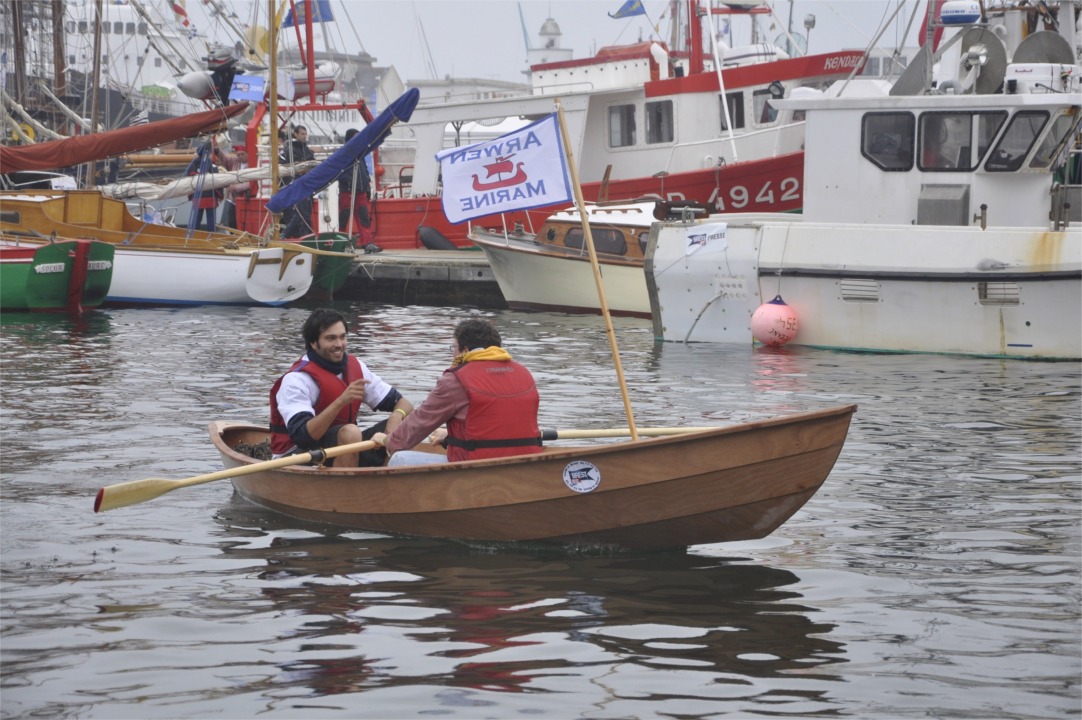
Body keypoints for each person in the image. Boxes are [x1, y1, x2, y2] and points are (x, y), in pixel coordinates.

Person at [372, 318, 541, 466]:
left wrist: (389, 440)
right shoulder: (524, 374)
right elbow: (497, 423)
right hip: (524, 463)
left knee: (399, 459)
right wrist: (449, 435)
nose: (452, 354)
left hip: (476, 466)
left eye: (453, 348)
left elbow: (421, 421)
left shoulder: (456, 379)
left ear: (464, 350)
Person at [270, 308, 414, 467]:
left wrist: (397, 415)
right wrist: (341, 401)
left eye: (342, 337)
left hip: (343, 446)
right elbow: (303, 437)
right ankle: (346, 481)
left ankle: (387, 476)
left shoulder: (356, 367)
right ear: (313, 343)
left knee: (410, 421)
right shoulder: (296, 379)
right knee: (351, 432)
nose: (339, 344)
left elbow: (404, 403)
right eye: (330, 338)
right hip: (298, 454)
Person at [337, 128, 382, 253]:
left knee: (364, 218)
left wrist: (367, 187)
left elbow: (364, 170)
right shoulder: (344, 153)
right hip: (347, 191)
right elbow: (339, 172)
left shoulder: (360, 153)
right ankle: (339, 243)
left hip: (360, 191)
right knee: (343, 218)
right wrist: (348, 181)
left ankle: (367, 243)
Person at [282, 125, 316, 238]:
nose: (304, 136)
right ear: (295, 134)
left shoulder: (305, 148)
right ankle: (287, 235)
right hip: (298, 183)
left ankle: (298, 236)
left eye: (305, 134)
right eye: (302, 134)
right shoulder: (290, 148)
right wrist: (306, 166)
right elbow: (297, 166)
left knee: (304, 213)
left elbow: (312, 162)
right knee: (302, 213)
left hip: (307, 183)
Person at [220, 148, 250, 230]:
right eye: (238, 155)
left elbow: (250, 183)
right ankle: (233, 233)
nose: (240, 156)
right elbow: (225, 159)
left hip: (245, 197)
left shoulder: (252, 165)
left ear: (247, 154)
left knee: (242, 220)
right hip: (233, 198)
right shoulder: (235, 163)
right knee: (231, 219)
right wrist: (218, 151)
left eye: (242, 154)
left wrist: (235, 187)